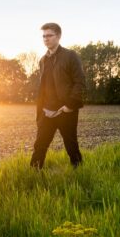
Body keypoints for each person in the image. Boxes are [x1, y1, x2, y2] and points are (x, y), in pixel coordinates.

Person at [30, 23, 85, 169]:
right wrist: (40, 111)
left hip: (65, 110)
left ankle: (79, 171)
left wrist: (70, 105)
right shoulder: (42, 60)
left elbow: (79, 82)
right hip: (46, 111)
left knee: (71, 144)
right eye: (43, 36)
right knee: (40, 145)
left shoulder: (70, 55)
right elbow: (43, 87)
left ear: (58, 36)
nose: (46, 39)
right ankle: (33, 174)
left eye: (49, 35)